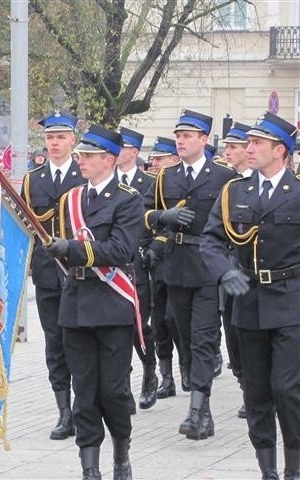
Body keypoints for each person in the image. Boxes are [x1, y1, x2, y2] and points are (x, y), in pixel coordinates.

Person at [200, 112, 299, 480]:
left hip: (292, 300)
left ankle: (294, 468)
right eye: (249, 143)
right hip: (249, 303)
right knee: (256, 392)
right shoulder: (235, 192)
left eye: (257, 143)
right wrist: (224, 271)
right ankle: (268, 469)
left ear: (281, 150)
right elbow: (211, 240)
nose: (248, 148)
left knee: (287, 388)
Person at [45, 124, 144, 480]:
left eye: (87, 155)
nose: (81, 160)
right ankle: (90, 468)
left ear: (109, 159)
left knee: (114, 392)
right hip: (75, 306)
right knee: (84, 393)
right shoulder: (71, 199)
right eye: (81, 155)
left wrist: (71, 249)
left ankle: (121, 454)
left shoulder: (128, 199)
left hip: (111, 304)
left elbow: (120, 249)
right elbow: (60, 257)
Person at [144, 109, 236, 441]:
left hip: (208, 266)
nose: (180, 141)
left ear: (203, 140)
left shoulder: (223, 177)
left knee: (203, 339)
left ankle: (199, 410)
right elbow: (145, 215)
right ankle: (201, 403)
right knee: (181, 332)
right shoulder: (166, 178)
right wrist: (162, 216)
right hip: (176, 264)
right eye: (178, 136)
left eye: (187, 136)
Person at [21, 110, 85, 440]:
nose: (54, 143)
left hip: (80, 269)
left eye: (60, 137)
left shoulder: (85, 173)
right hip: (48, 274)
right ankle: (64, 410)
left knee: (81, 340)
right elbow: (30, 227)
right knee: (54, 342)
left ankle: (85, 405)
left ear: (73, 139)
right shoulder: (34, 179)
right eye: (49, 137)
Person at [117, 126, 158, 412]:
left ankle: (149, 370)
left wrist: (153, 250)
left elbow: (159, 220)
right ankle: (123, 388)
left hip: (140, 265)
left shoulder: (151, 182)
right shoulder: (107, 183)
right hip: (113, 265)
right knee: (118, 329)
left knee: (139, 327)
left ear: (134, 152)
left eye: (122, 148)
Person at [218, 121, 253, 419]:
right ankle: (245, 384)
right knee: (232, 330)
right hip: (232, 272)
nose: (227, 152)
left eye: (234, 147)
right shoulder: (229, 185)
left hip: (265, 274)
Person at [144, 137, 183, 400]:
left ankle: (188, 369)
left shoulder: (182, 181)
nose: (154, 162)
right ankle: (166, 376)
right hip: (153, 261)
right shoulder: (154, 183)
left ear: (174, 159)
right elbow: (146, 216)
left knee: (176, 318)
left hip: (182, 259)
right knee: (159, 320)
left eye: (160, 158)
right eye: (153, 158)